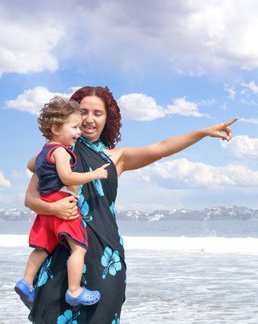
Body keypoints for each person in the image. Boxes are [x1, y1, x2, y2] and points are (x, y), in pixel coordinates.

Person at [24, 86, 237, 324]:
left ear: (108, 118)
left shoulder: (116, 158)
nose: (89, 119)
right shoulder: (57, 153)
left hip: (106, 258)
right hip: (64, 252)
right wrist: (53, 208)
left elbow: (162, 148)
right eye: (83, 112)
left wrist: (203, 132)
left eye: (98, 113)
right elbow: (30, 199)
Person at [15, 96, 110, 310]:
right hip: (60, 202)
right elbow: (67, 178)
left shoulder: (45, 150)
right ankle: (74, 290)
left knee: (42, 248)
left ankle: (26, 282)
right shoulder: (60, 151)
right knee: (79, 248)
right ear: (57, 128)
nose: (79, 131)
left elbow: (31, 165)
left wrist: (45, 168)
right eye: (74, 127)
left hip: (45, 207)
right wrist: (93, 174)